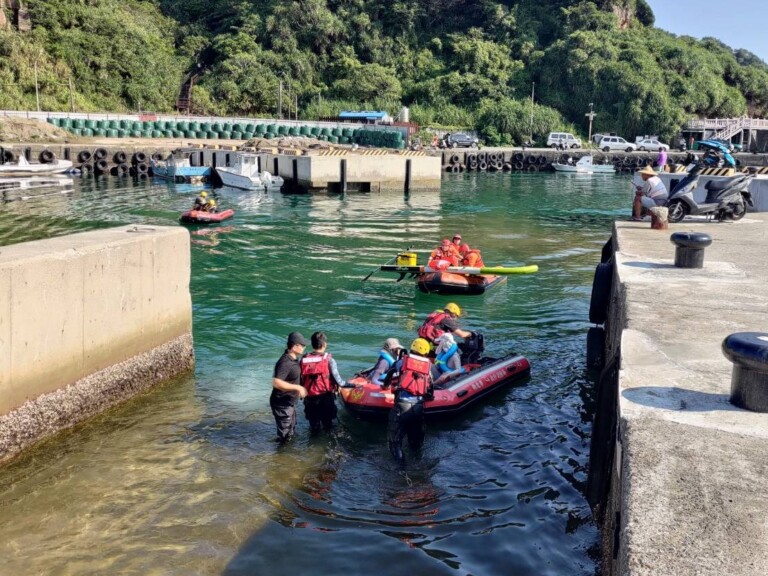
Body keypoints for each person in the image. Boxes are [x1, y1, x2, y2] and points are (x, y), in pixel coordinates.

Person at [383, 337, 435, 461]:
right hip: (418, 408)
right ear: (426, 353)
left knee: (395, 442)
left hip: (401, 407)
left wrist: (385, 386)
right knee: (416, 443)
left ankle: (400, 468)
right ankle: (418, 463)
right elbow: (430, 390)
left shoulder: (401, 363)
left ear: (412, 348)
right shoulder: (428, 367)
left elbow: (389, 376)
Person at [300, 331, 344, 434]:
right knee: (328, 426)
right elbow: (339, 381)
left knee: (314, 428)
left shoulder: (303, 360)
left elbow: (300, 379)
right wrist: (351, 386)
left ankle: (313, 442)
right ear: (324, 344)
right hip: (326, 398)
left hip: (310, 399)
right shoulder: (329, 360)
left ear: (312, 344)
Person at [271, 331, 308, 442]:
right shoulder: (285, 362)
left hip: (288, 402)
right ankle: (280, 452)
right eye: (302, 345)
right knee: (285, 436)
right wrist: (298, 388)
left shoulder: (293, 359)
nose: (304, 347)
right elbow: (276, 382)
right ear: (294, 346)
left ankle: (285, 449)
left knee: (290, 432)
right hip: (282, 404)